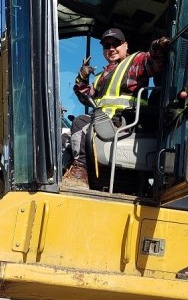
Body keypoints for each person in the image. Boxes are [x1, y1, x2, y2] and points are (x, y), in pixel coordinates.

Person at [62, 28, 170, 188]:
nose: (111, 48)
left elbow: (153, 61)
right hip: (102, 122)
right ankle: (67, 173)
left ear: (125, 45)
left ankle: (80, 172)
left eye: (116, 44)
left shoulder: (135, 62)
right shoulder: (101, 76)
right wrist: (81, 79)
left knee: (79, 123)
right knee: (64, 140)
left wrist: (157, 46)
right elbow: (86, 98)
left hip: (122, 124)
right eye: (106, 45)